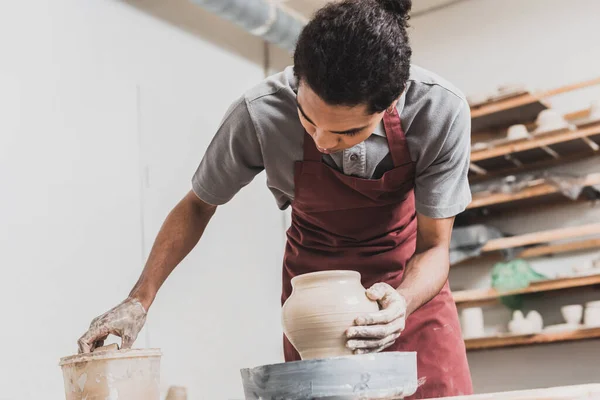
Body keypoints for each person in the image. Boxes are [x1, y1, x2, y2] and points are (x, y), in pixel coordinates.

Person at [78, 0, 473, 397]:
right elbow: (198, 204)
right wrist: (138, 301)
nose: (320, 141)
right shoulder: (260, 114)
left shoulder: (439, 112)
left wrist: (402, 303)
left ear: (390, 102)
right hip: (314, 290)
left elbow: (435, 246)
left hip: (407, 289)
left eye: (345, 133)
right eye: (307, 118)